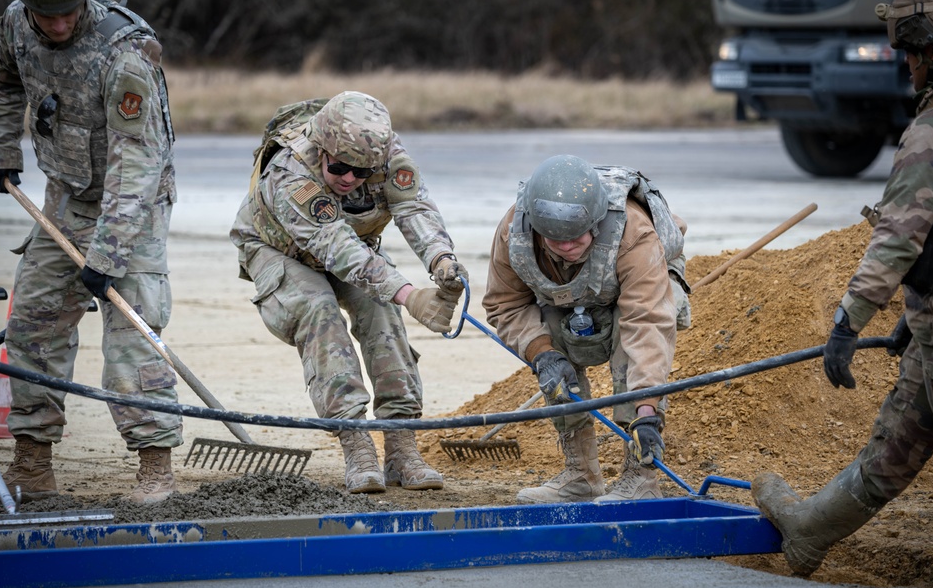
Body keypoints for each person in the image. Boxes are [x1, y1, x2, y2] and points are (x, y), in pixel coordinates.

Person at [752, 0, 933, 577]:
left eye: (909, 51)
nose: (905, 65)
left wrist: (850, 319)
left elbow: (900, 235)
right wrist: (913, 314)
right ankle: (808, 533)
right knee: (900, 440)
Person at [0, 0, 181, 504]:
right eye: (48, 16)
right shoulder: (17, 24)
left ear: (85, 1)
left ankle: (155, 467)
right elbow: (0, 83)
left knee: (132, 335)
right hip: (65, 197)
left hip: (131, 208)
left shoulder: (126, 51)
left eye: (68, 14)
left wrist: (108, 252)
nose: (59, 25)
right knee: (32, 326)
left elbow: (138, 162)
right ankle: (32, 466)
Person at [230, 91, 467, 495]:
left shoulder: (386, 155)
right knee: (318, 310)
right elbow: (336, 248)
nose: (350, 180)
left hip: (351, 246)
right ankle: (356, 443)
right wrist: (410, 295)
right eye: (339, 168)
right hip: (280, 250)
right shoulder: (291, 173)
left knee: (382, 311)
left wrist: (442, 262)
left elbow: (415, 209)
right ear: (322, 150)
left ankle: (401, 444)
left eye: (362, 173)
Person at [482, 154, 690, 504]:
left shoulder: (633, 234)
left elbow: (648, 322)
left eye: (575, 238)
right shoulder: (513, 233)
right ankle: (581, 474)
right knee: (552, 356)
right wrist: (543, 354)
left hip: (640, 293)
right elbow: (506, 304)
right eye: (554, 239)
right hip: (567, 295)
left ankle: (641, 476)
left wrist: (647, 413)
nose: (565, 247)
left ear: (595, 222)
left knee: (630, 339)